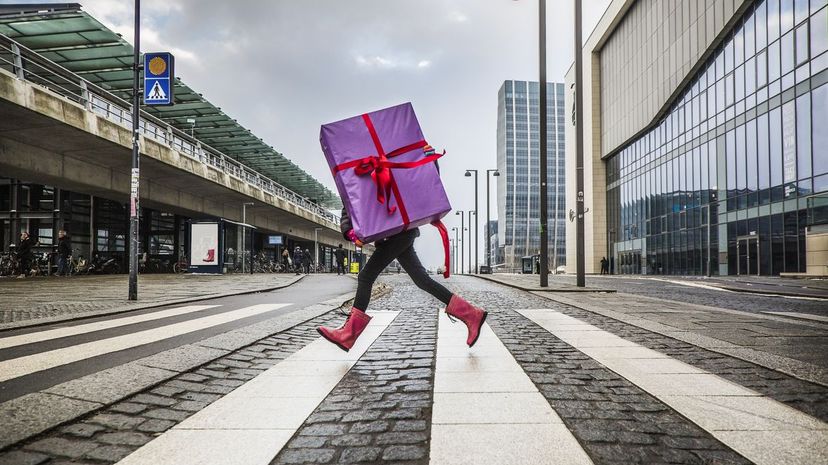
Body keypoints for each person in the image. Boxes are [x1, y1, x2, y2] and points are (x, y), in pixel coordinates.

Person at [317, 207, 488, 352]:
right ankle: (472, 315)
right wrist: (350, 233)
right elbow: (349, 205)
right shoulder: (353, 172)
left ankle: (349, 334)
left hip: (398, 231)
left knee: (366, 276)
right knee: (422, 280)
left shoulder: (384, 167)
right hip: (397, 232)